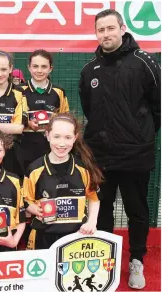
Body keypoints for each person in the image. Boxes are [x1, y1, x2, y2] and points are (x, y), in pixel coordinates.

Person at [79, 9, 161, 290]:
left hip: (135, 156)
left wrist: (141, 134)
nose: (106, 34)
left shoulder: (144, 62)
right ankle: (103, 259)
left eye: (110, 28)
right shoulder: (89, 69)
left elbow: (157, 107)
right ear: (96, 33)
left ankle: (136, 259)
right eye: (100, 30)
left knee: (136, 210)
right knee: (100, 211)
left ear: (122, 28)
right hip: (100, 156)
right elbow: (89, 108)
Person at [24, 113, 102, 250]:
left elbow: (94, 198)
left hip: (76, 236)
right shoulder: (34, 170)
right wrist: (33, 209)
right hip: (43, 237)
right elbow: (25, 201)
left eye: (67, 137)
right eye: (56, 136)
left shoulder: (83, 169)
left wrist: (92, 222)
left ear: (75, 138)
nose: (62, 143)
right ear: (47, 135)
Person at [21, 49, 69, 173]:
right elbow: (14, 118)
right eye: (35, 66)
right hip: (24, 148)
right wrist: (27, 123)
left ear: (50, 68)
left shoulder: (59, 92)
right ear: (29, 68)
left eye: (44, 66)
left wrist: (54, 123)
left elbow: (66, 120)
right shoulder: (19, 91)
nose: (39, 70)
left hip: (51, 149)